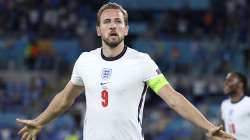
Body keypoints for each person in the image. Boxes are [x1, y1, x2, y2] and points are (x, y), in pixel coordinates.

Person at [16, 2, 235, 140]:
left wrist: (208, 127)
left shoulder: (142, 62)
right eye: (107, 21)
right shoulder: (85, 60)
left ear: (126, 29)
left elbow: (174, 99)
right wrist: (40, 121)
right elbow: (65, 98)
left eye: (118, 22)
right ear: (99, 30)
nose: (113, 26)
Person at [221, 72, 250, 140]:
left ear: (241, 84)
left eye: (230, 80)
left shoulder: (248, 103)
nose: (225, 83)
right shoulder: (224, 104)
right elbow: (224, 129)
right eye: (225, 80)